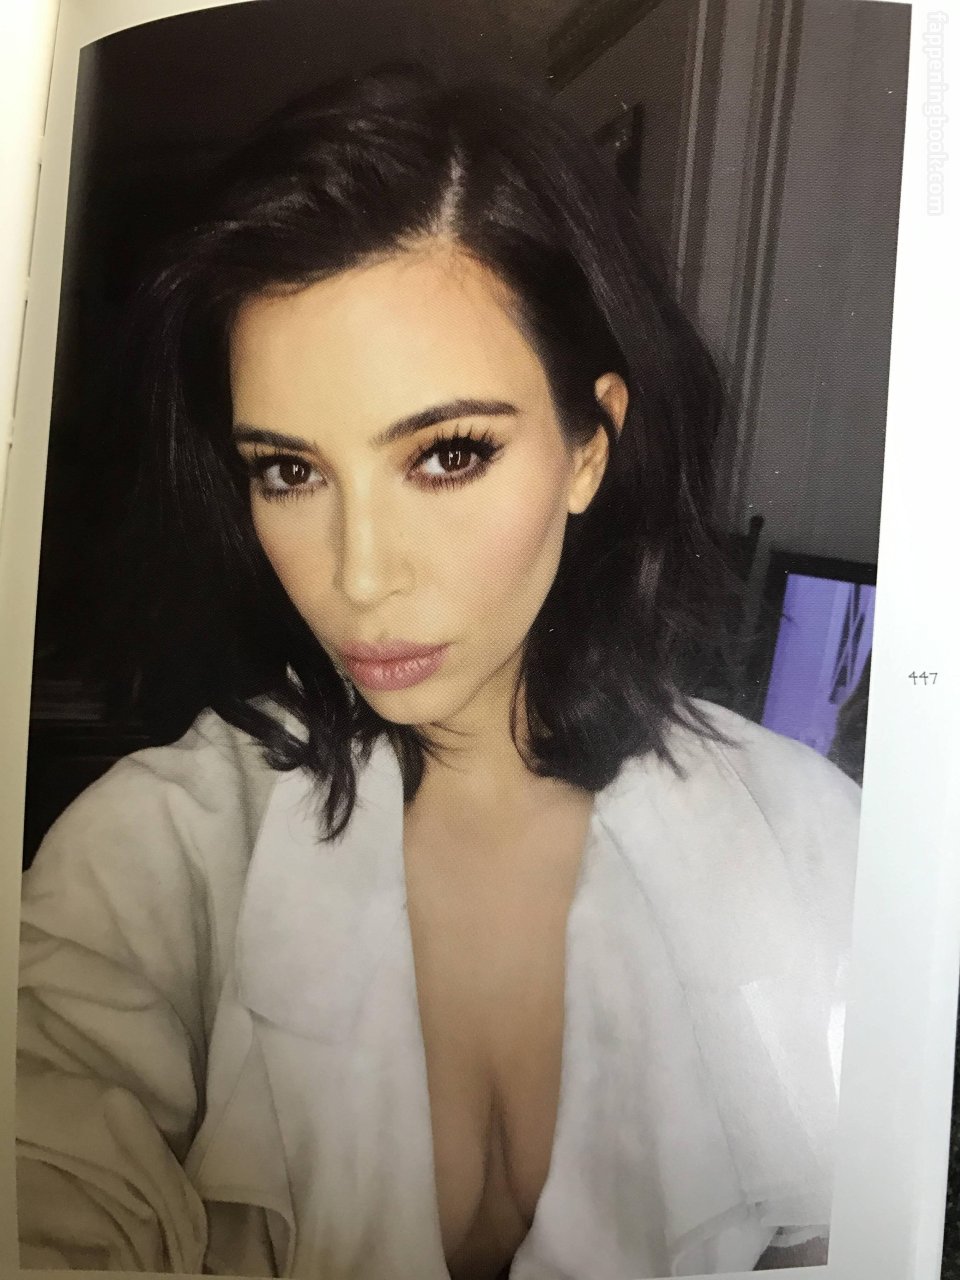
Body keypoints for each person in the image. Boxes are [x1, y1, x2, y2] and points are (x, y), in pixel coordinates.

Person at [16, 64, 859, 1279]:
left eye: (448, 453)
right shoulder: (159, 850)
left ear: (589, 445)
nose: (360, 576)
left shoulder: (813, 841)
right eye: (290, 471)